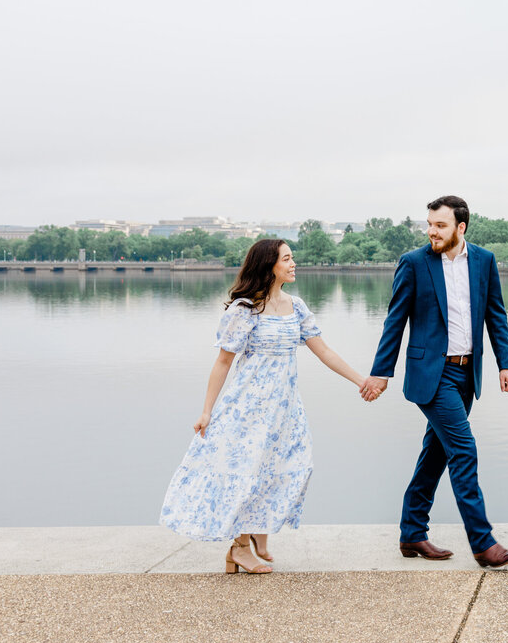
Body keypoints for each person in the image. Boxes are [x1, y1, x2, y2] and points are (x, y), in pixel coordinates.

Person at [160, 239, 373, 574]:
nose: (293, 264)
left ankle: (258, 533)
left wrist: (361, 380)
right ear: (270, 265)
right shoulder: (245, 309)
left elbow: (324, 351)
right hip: (249, 408)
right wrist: (206, 411)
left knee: (294, 467)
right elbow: (223, 362)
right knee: (248, 474)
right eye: (287, 259)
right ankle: (241, 548)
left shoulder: (296, 307)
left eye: (292, 258)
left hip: (285, 408)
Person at [360, 195, 508, 568]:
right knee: (463, 450)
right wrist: (382, 371)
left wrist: (505, 363)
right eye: (429, 225)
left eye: (440, 225)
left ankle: (412, 533)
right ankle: (483, 543)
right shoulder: (415, 263)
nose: (432, 231)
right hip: (433, 373)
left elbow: (496, 314)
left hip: (468, 373)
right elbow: (394, 321)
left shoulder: (484, 260)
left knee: (435, 454)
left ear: (460, 227)